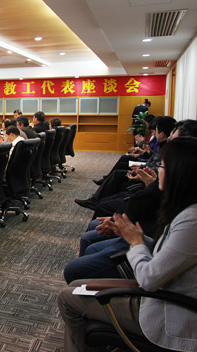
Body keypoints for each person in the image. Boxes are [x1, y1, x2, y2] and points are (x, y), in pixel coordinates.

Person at [57, 137, 197, 352]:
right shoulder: (187, 211)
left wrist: (136, 242)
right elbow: (168, 253)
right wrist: (131, 234)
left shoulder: (191, 222)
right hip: (163, 295)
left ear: (179, 174)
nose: (158, 170)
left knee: (68, 297)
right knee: (76, 285)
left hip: (168, 312)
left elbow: (149, 279)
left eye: (162, 166)